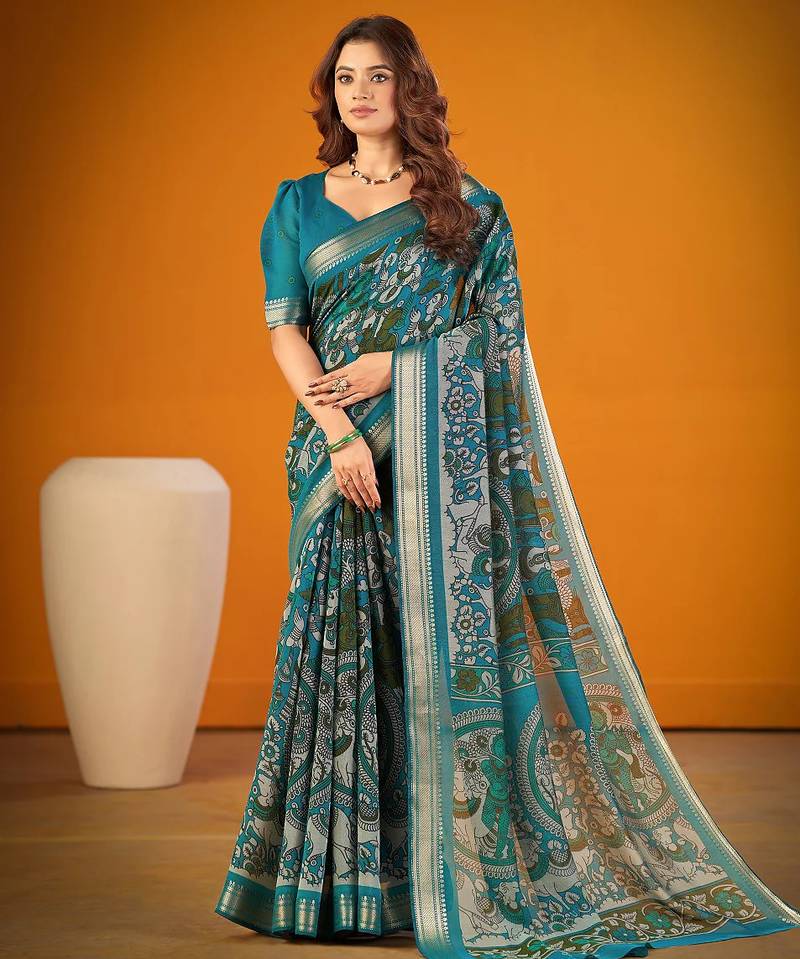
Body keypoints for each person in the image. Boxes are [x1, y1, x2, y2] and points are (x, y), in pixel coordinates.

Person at [215, 14, 800, 959]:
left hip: (439, 465)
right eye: (345, 77)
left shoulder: (471, 209)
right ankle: (340, 888)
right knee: (341, 655)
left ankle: (446, 875)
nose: (359, 93)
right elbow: (286, 328)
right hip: (336, 459)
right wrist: (339, 432)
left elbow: (501, 337)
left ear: (411, 87)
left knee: (429, 659)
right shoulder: (296, 203)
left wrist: (393, 369)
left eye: (378, 76)